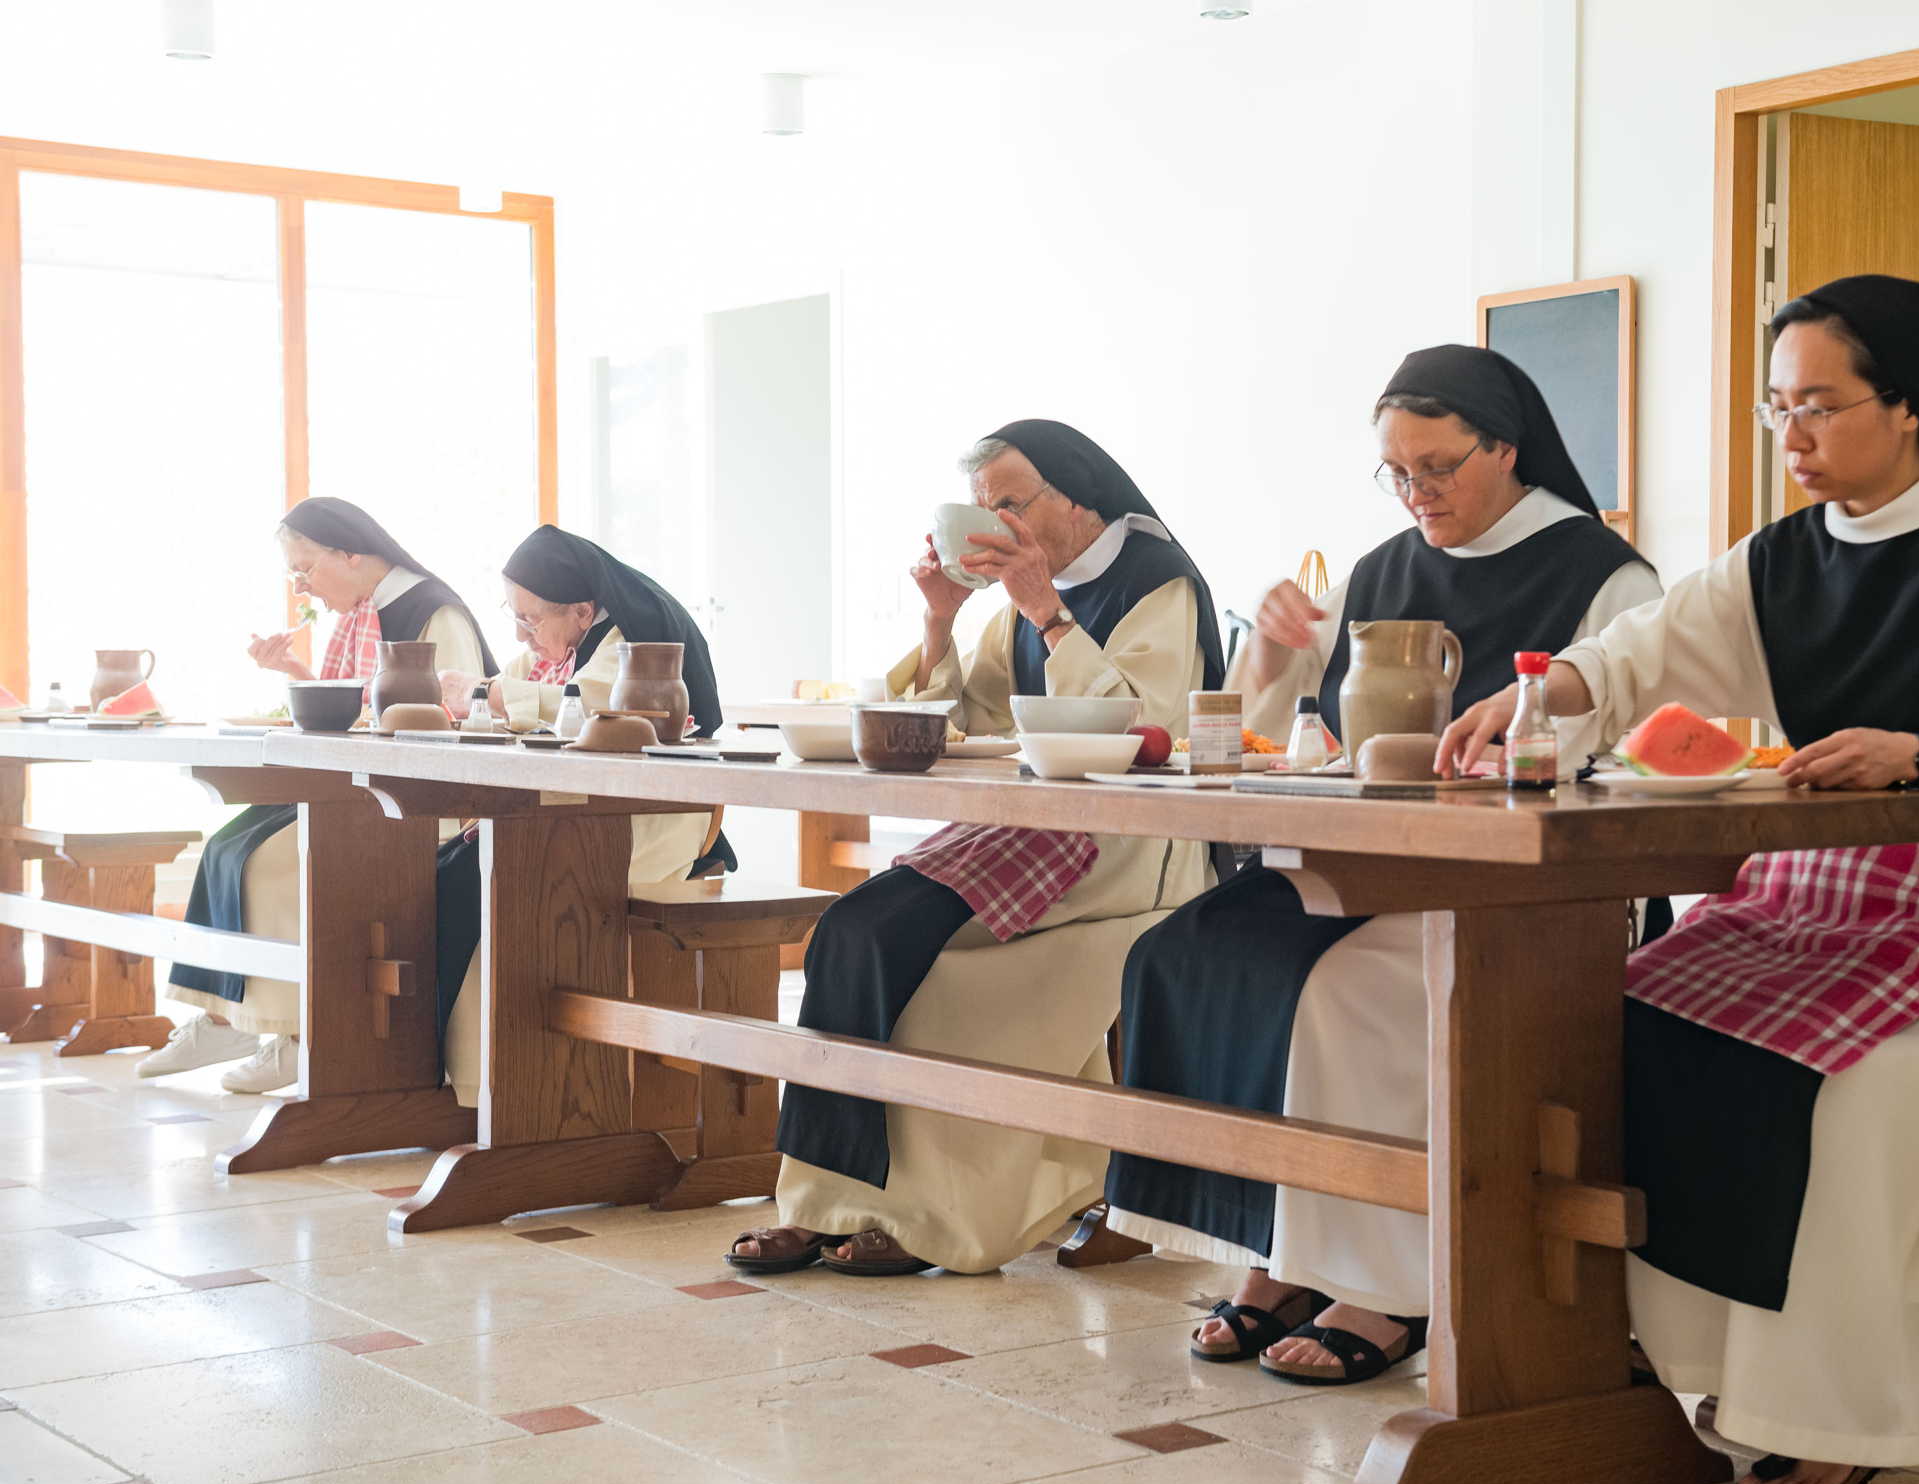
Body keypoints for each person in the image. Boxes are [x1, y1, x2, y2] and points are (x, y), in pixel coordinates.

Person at [1438, 276, 1919, 1484]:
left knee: (1847, 1092)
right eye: (1774, 408)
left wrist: (1916, 757)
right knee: (1618, 1031)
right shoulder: (1780, 555)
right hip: (1801, 896)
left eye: (1817, 405)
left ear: (1906, 407)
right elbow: (1637, 653)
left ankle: (1840, 1410)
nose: (1790, 436)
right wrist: (1536, 696)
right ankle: (1666, 1361)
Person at [1101, 346, 1661, 1386]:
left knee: (1344, 992)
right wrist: (1272, 654)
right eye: (1396, 473)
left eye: (1439, 467)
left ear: (1506, 447)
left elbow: (1621, 744)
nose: (1417, 495)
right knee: (1183, 954)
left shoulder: (1604, 574)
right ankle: (1282, 1253)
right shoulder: (1382, 566)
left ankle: (1391, 1285)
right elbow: (1290, 732)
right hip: (1373, 862)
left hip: (1527, 890)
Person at [726, 419, 1225, 1277]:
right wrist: (940, 621)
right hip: (1030, 832)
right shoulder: (1029, 604)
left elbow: (1150, 730)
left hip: (1131, 849)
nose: (994, 521)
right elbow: (960, 717)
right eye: (982, 507)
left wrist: (1046, 611)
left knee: (905, 956)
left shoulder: (1157, 585)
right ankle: (818, 1203)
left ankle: (917, 1221)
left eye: (1009, 503)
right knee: (851, 931)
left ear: (1075, 498)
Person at [143, 498, 496, 1092]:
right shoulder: (364, 612)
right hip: (355, 785)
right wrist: (296, 673)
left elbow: (450, 730)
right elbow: (357, 710)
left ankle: (294, 1032)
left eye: (305, 568)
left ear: (349, 554)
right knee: (229, 844)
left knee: (273, 862)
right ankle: (225, 1013)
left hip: (416, 804)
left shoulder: (435, 613)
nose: (300, 584)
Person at [433, 525, 735, 1106]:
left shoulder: (630, 639)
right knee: (443, 874)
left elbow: (599, 708)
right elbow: (520, 693)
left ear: (581, 609)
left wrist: (490, 694)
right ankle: (460, 1083)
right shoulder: (562, 642)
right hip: (570, 815)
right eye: (514, 617)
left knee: (484, 883)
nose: (521, 632)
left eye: (531, 619)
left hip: (642, 820)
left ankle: (506, 1089)